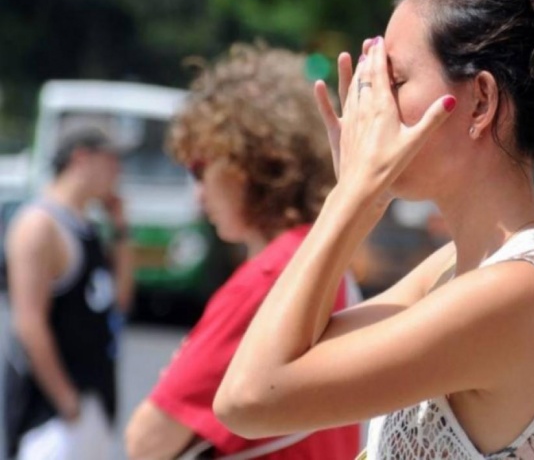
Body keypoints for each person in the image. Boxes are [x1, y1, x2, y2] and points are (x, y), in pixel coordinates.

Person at [214, 0, 534, 459]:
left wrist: (352, 194)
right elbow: (295, 353)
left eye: (394, 82)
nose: (373, 104)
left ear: (481, 102)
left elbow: (249, 398)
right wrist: (359, 197)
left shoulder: (515, 293)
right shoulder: (455, 270)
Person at [124, 44, 361, 459]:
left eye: (200, 168)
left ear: (247, 162)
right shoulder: (325, 256)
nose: (198, 193)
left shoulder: (270, 278)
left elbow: (146, 442)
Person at [3, 126, 133, 460]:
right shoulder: (39, 225)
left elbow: (118, 300)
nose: (118, 172)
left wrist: (120, 230)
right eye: (111, 161)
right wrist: (66, 400)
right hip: (52, 413)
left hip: (95, 398)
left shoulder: (87, 226)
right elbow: (28, 321)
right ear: (81, 158)